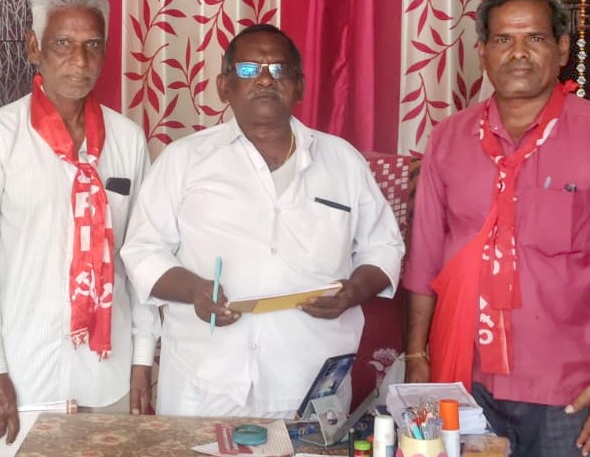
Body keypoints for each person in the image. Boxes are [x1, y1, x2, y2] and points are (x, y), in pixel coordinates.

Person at [402, 0, 590, 457]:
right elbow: (424, 260)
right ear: (483, 51)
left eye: (534, 38)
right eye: (503, 39)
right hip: (465, 381)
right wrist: (417, 358)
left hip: (571, 393)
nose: (518, 53)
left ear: (562, 49)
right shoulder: (449, 139)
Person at [119, 24, 405, 417]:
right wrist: (194, 290)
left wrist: (353, 291)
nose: (266, 80)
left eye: (279, 69)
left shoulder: (343, 161)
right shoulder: (184, 160)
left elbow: (384, 246)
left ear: (299, 86)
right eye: (249, 69)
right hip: (203, 382)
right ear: (224, 86)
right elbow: (143, 250)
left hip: (309, 382)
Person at [0, 0, 157, 444]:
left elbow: (142, 256)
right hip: (23, 371)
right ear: (35, 47)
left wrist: (143, 357)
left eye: (93, 45)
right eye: (63, 43)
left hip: (109, 371)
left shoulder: (127, 140)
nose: (80, 61)